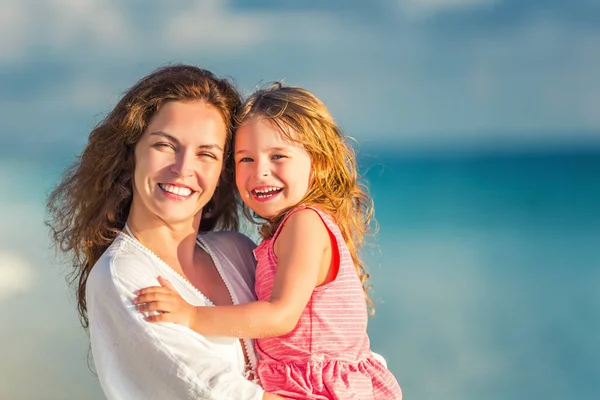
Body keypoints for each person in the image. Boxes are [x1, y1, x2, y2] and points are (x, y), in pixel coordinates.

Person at [135, 83, 403, 399]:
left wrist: (192, 315)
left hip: (316, 389)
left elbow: (280, 315)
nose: (261, 172)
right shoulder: (294, 227)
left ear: (317, 165)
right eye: (245, 159)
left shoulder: (304, 223)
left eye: (278, 156)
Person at [46, 65, 284, 400]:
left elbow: (326, 342)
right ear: (131, 154)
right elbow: (217, 393)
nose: (184, 168)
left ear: (222, 171)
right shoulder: (123, 275)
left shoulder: (240, 251)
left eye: (206, 153)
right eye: (165, 145)